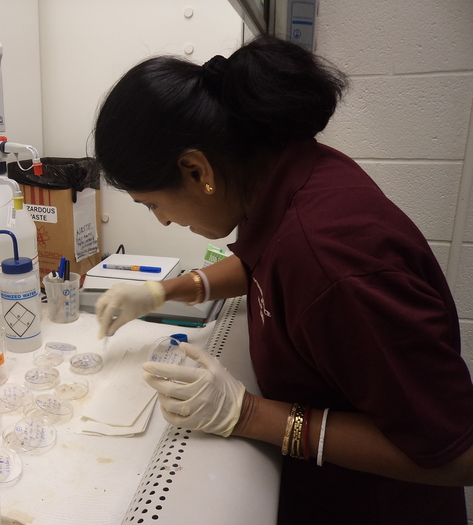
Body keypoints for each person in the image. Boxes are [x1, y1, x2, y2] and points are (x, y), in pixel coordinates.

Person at [93, 36, 473, 524]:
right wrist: (165, 290)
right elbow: (265, 263)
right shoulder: (278, 175)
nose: (161, 220)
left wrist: (247, 415)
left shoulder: (333, 258)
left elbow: (457, 453)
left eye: (152, 203)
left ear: (195, 170)